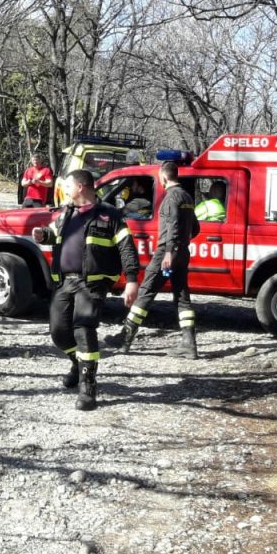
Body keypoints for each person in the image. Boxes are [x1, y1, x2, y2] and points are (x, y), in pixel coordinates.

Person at [32, 169, 139, 410]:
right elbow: (53, 233)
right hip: (64, 282)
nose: (65, 191)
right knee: (58, 331)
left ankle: (88, 387)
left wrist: (131, 280)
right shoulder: (66, 213)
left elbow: (127, 248)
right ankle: (77, 364)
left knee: (83, 328)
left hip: (92, 283)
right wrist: (43, 235)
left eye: (67, 186)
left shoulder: (109, 215)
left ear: (80, 187)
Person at [107, 160, 199, 359]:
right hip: (182, 253)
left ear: (164, 177)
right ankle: (189, 344)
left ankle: (125, 340)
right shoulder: (187, 197)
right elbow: (195, 228)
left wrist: (168, 252)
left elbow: (173, 225)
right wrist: (180, 245)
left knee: (146, 291)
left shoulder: (171, 198)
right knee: (182, 295)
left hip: (166, 254)